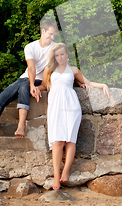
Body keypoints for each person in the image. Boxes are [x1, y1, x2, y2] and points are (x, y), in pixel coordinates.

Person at [0, 20, 58, 137]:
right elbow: (31, 67)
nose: (52, 37)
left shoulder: (55, 48)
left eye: (54, 35)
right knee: (2, 97)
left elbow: (65, 66)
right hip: (27, 78)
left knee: (23, 88)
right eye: (50, 34)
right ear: (43, 31)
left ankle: (21, 126)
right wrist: (31, 84)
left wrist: (83, 81)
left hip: (41, 79)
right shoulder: (30, 47)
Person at [38, 43, 110, 190]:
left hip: (72, 106)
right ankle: (56, 178)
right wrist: (31, 87)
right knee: (58, 141)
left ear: (67, 54)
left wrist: (103, 85)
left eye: (62, 54)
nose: (60, 58)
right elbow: (43, 86)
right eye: (57, 55)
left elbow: (87, 82)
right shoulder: (50, 69)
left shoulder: (73, 70)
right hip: (55, 107)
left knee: (70, 140)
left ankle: (66, 171)